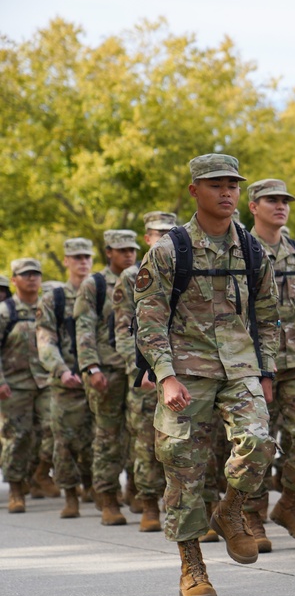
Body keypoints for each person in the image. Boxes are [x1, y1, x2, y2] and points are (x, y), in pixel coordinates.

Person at [134, 153, 280, 596]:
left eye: (233, 185)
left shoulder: (254, 250)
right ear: (195, 190)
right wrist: (165, 376)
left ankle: (231, 509)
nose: (227, 193)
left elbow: (270, 315)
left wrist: (267, 369)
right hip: (185, 371)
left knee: (259, 443)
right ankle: (192, 567)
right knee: (183, 469)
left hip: (238, 368)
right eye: (216, 185)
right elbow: (149, 319)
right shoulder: (168, 251)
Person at [246, 178, 295, 553]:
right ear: (253, 207)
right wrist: (260, 368)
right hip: (250, 363)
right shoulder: (240, 250)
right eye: (271, 200)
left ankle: (290, 504)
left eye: (285, 200)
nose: (281, 206)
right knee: (256, 442)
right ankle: (251, 516)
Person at [113, 212, 178, 532]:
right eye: (158, 233)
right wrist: (139, 371)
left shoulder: (185, 264)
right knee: (144, 440)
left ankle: (183, 503)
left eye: (171, 231)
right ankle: (149, 503)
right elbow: (124, 328)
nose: (164, 237)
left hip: (182, 367)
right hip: (146, 370)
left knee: (182, 441)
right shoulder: (130, 276)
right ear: (146, 238)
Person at [75, 229, 139, 525]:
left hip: (137, 368)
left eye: (132, 249)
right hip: (107, 370)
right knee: (109, 436)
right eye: (121, 249)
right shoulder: (95, 284)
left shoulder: (143, 277)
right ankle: (108, 499)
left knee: (141, 434)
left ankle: (138, 490)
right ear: (109, 251)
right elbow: (84, 326)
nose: (128, 254)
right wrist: (91, 367)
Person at [37, 238, 95, 519]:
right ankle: (70, 495)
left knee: (105, 439)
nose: (82, 261)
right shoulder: (54, 298)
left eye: (86, 256)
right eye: (76, 257)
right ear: (66, 260)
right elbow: (45, 339)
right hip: (67, 381)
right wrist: (61, 370)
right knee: (66, 441)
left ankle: (98, 487)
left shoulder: (102, 291)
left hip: (101, 379)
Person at [0, 259, 48, 512]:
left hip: (46, 382)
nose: (32, 278)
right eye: (26, 274)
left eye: (36, 274)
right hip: (14, 385)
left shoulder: (48, 306)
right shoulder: (5, 311)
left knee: (54, 431)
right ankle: (17, 490)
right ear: (14, 279)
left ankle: (40, 474)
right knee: (16, 437)